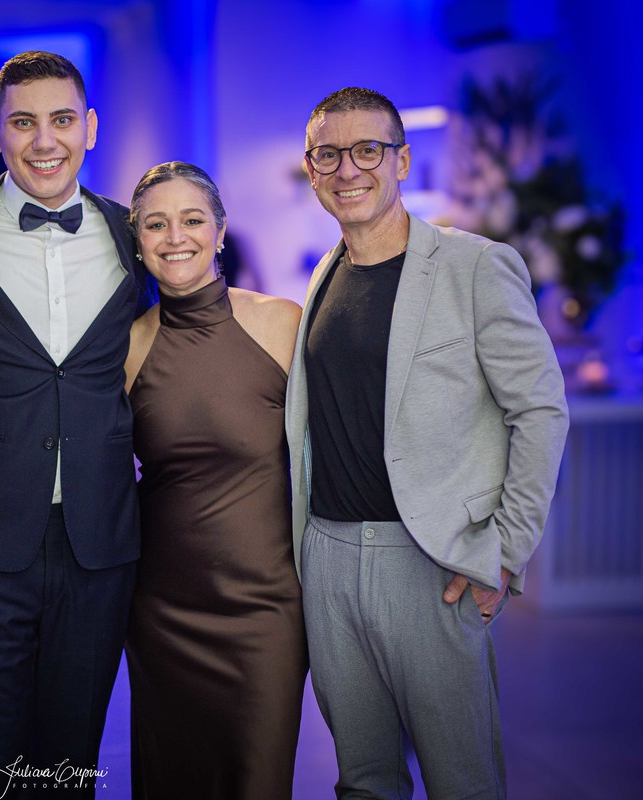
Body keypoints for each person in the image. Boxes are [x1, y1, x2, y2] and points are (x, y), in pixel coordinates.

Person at [286, 87, 569, 799]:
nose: (348, 169)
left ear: (403, 160)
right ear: (311, 170)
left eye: (367, 150)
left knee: (462, 782)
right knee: (363, 781)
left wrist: (505, 551)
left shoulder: (476, 266)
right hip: (327, 556)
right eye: (328, 155)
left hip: (430, 560)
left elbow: (539, 410)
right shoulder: (324, 274)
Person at [0, 51, 152, 798]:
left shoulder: (131, 232)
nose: (45, 141)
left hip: (98, 543)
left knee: (69, 762)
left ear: (90, 128)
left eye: (62, 120)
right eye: (23, 122)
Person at [123, 162, 307, 799]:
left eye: (193, 220)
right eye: (156, 224)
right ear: (138, 240)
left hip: (266, 610)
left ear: (221, 231)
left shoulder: (283, 324)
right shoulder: (128, 347)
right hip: (164, 612)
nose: (175, 237)